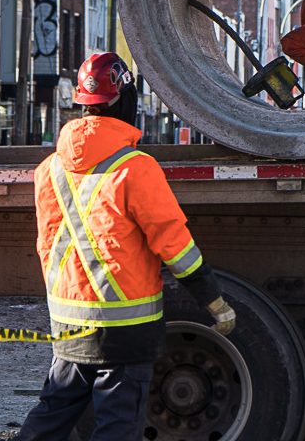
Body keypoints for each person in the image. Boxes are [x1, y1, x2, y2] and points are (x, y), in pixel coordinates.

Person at [16, 52, 237, 441]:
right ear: (124, 102)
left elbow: (48, 243)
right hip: (124, 329)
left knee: (52, 415)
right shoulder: (136, 168)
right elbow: (176, 247)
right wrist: (214, 301)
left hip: (69, 324)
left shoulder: (48, 169)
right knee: (117, 426)